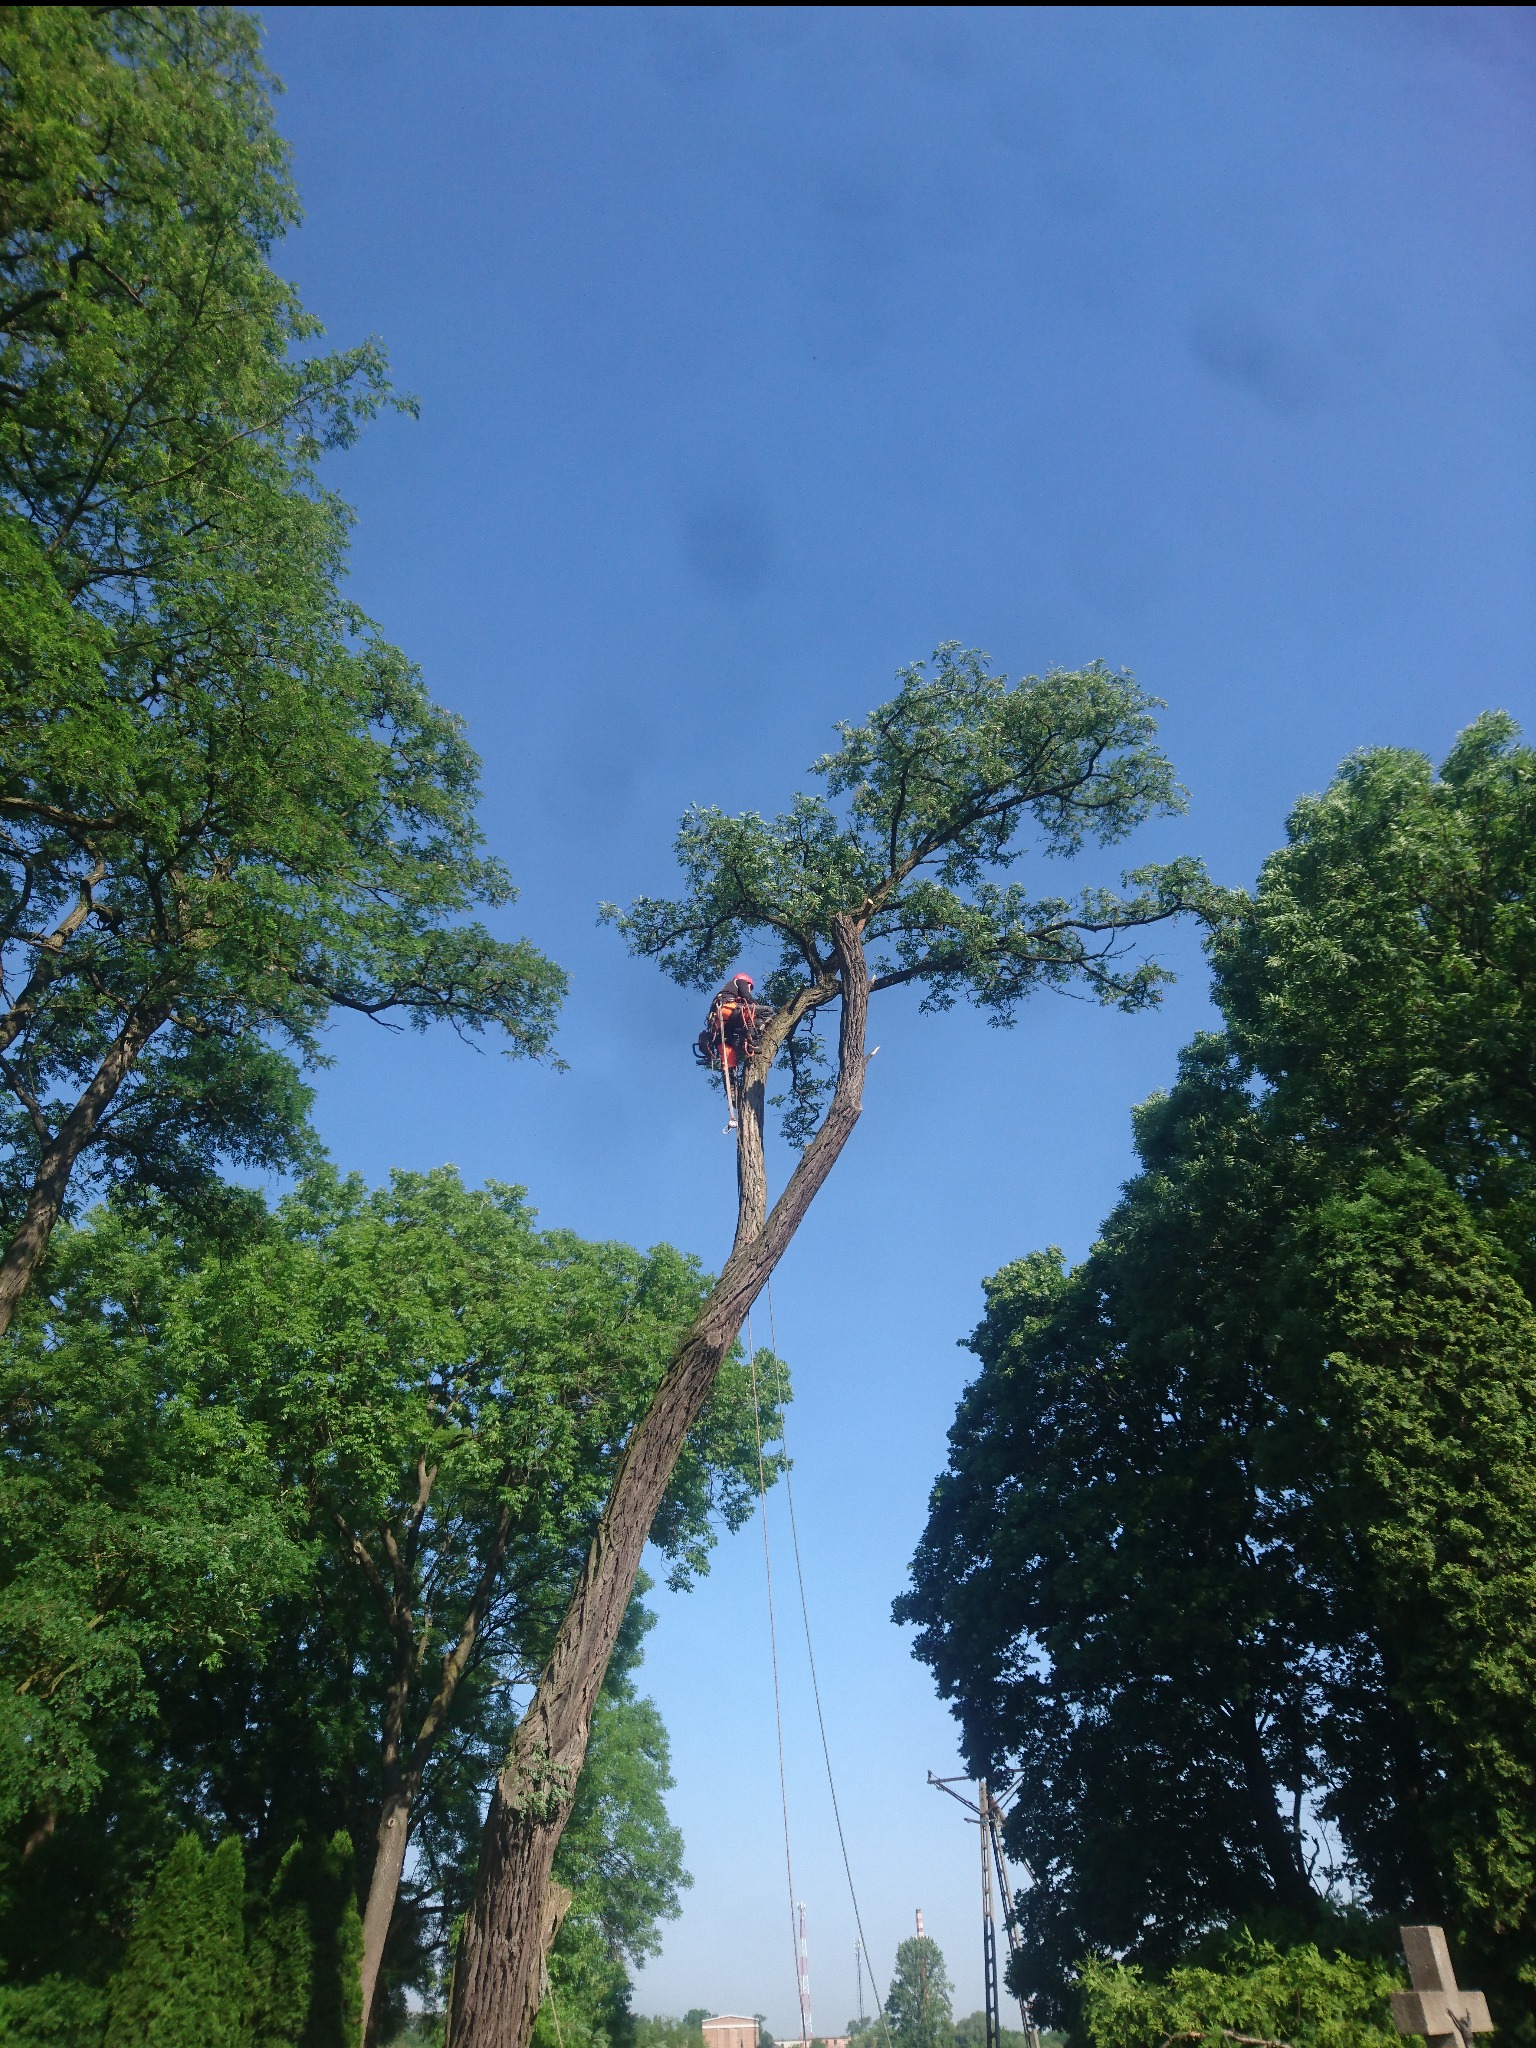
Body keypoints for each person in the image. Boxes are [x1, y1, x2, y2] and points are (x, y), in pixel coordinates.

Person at [695, 973, 772, 1123]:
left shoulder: (724, 991)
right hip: (727, 1009)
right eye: (750, 987)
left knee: (729, 1064)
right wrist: (752, 1002)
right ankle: (752, 1041)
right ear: (748, 982)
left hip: (720, 1028)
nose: (749, 989)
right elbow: (745, 994)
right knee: (767, 1011)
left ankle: (733, 1092)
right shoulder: (740, 981)